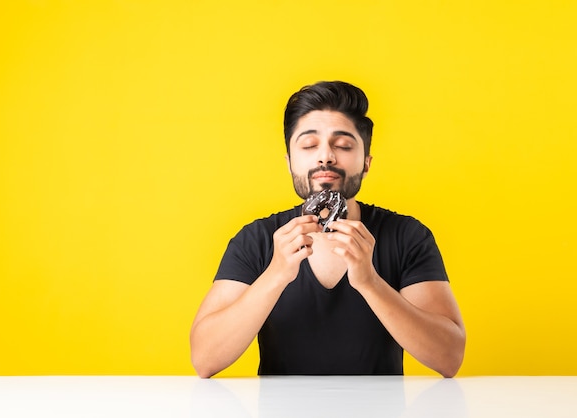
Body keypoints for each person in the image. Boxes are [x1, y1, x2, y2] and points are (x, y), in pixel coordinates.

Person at [190, 81, 466, 378]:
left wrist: (370, 282)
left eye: (344, 145)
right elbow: (205, 360)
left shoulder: (407, 237)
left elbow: (449, 358)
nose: (325, 157)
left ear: (366, 163)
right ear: (289, 162)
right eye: (309, 145)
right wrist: (276, 274)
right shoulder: (256, 241)